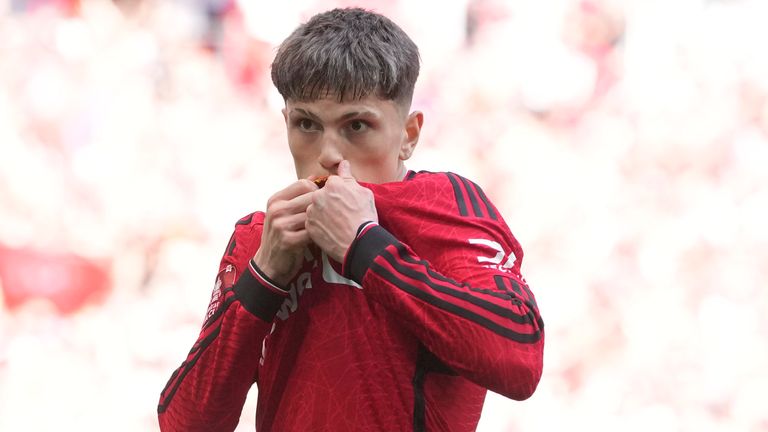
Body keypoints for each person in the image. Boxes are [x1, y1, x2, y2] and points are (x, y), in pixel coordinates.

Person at [157, 7, 543, 432]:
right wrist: (264, 277)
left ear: (409, 135)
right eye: (306, 124)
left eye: (356, 125)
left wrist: (365, 247)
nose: (328, 154)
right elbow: (185, 424)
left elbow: (520, 358)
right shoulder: (260, 238)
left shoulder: (445, 204)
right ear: (285, 123)